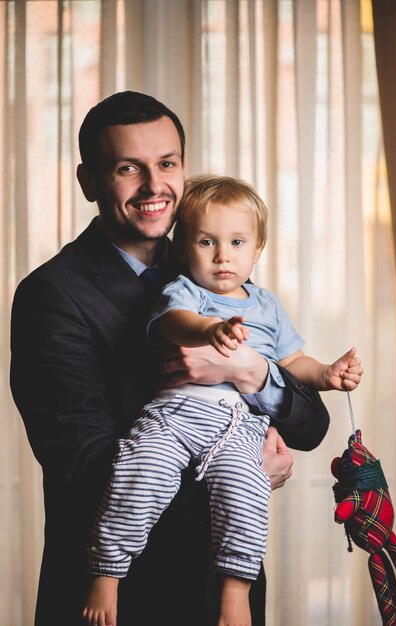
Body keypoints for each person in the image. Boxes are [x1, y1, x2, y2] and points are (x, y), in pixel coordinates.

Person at [10, 91, 331, 626]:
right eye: (128, 168)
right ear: (89, 181)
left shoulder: (220, 269)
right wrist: (244, 474)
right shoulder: (52, 294)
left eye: (167, 164)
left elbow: (311, 424)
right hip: (124, 599)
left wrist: (251, 372)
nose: (154, 186)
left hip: (229, 596)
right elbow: (82, 463)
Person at [82, 174, 363, 626]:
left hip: (238, 426)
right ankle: (106, 572)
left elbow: (294, 362)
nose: (222, 256)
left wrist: (328, 375)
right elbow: (172, 322)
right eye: (206, 242)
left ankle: (236, 591)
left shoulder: (268, 306)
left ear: (257, 249)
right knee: (139, 470)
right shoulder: (186, 292)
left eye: (236, 242)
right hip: (175, 415)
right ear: (182, 247)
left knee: (247, 493)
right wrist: (209, 330)